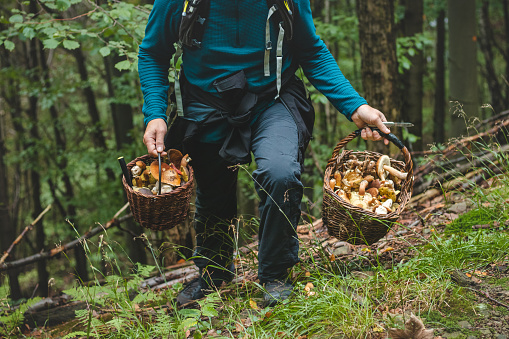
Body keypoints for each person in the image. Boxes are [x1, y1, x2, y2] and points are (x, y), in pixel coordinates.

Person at [138, 0, 391, 307]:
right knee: (214, 192)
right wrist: (155, 114)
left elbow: (310, 50)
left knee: (280, 173)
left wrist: (355, 105)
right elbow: (153, 52)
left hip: (272, 97)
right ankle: (214, 274)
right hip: (205, 103)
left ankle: (275, 275)